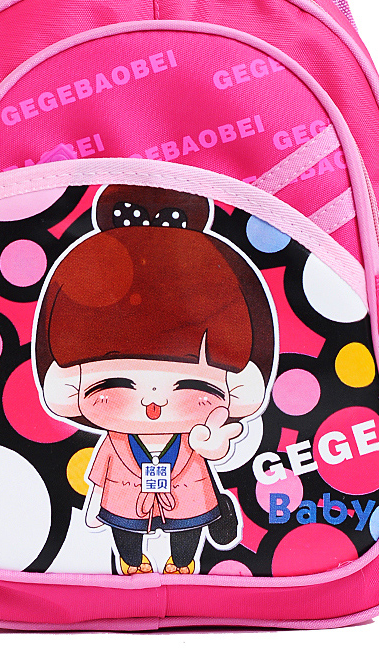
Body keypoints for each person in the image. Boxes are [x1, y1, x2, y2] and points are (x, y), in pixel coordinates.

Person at [35, 184, 276, 574]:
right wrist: (94, 506)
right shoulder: (116, 442)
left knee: (188, 531)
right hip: (124, 502)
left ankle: (183, 563)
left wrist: (214, 444)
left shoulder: (193, 436)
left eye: (190, 385)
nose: (154, 401)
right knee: (126, 534)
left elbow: (209, 455)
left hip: (188, 497)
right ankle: (132, 563)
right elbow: (101, 472)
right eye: (118, 383)